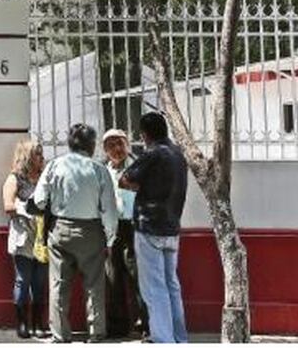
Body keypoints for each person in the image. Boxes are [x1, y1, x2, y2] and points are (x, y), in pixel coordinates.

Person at [30, 123, 118, 343]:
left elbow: (39, 200)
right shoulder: (99, 169)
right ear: (92, 144)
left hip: (60, 229)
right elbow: (109, 208)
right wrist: (110, 237)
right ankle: (96, 332)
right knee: (94, 284)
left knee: (58, 284)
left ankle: (60, 334)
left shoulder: (55, 165)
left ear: (70, 143)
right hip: (91, 231)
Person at [120, 112, 189, 344]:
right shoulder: (178, 154)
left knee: (154, 288)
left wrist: (140, 185)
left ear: (144, 134)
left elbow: (125, 179)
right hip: (172, 227)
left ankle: (163, 339)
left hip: (149, 226)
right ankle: (179, 338)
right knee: (172, 285)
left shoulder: (153, 153)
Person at [102, 129, 148, 339]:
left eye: (119, 143)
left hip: (133, 225)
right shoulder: (104, 170)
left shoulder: (138, 166)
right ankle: (118, 326)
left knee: (137, 275)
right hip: (112, 227)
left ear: (127, 145)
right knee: (113, 277)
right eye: (111, 146)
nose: (116, 149)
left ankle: (145, 322)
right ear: (105, 150)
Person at [2, 139, 49, 339]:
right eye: (37, 154)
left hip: (43, 237)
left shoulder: (45, 178)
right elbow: (8, 205)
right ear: (27, 156)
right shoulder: (15, 178)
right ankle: (22, 323)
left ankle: (38, 323)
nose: (42, 157)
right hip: (23, 236)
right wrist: (26, 210)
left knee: (40, 282)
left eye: (41, 153)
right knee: (23, 280)